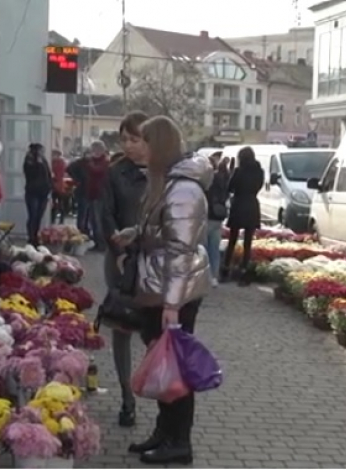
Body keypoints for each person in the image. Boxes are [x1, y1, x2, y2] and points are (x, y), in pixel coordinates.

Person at [114, 116, 212, 465]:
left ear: (160, 145)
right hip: (159, 286)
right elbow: (163, 233)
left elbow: (181, 252)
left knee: (175, 368)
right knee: (162, 363)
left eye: (143, 141)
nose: (135, 147)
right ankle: (164, 432)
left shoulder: (183, 188)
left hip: (175, 292)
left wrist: (172, 304)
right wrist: (135, 235)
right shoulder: (166, 182)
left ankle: (178, 442)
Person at [100, 111, 148, 427]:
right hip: (120, 259)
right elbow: (105, 215)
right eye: (124, 139)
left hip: (155, 261)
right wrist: (118, 249)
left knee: (155, 331)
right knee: (122, 328)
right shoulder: (115, 173)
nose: (128, 145)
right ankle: (127, 398)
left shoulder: (166, 172)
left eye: (135, 139)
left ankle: (160, 391)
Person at [221, 146, 264, 286]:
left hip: (239, 204)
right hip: (252, 204)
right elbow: (259, 186)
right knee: (248, 242)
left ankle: (226, 269)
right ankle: (244, 271)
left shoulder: (239, 171)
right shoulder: (259, 171)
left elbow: (230, 187)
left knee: (232, 239)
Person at [204, 151, 228, 287]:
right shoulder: (220, 178)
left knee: (204, 247)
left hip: (206, 216)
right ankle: (214, 276)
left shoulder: (204, 181)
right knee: (214, 248)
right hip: (218, 216)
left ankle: (206, 275)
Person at [23, 143, 52, 246]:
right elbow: (30, 174)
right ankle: (31, 237)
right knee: (33, 215)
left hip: (43, 192)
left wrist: (50, 188)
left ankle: (36, 236)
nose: (42, 152)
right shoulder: (29, 160)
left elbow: (48, 174)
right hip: (33, 192)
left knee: (39, 216)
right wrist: (37, 163)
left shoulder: (43, 160)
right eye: (40, 150)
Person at [84, 141, 110, 250]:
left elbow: (97, 171)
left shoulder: (105, 161)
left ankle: (101, 243)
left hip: (100, 194)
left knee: (98, 219)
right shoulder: (96, 161)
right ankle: (96, 242)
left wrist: (90, 162)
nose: (92, 153)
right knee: (93, 220)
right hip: (92, 193)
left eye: (93, 150)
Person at [66, 153, 89, 233]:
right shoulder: (80, 163)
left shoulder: (90, 162)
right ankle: (81, 229)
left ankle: (85, 228)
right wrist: (77, 179)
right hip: (82, 190)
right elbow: (69, 168)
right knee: (83, 210)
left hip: (88, 190)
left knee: (87, 212)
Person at [50, 149, 71, 224]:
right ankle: (61, 220)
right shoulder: (63, 162)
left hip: (56, 185)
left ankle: (53, 219)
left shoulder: (56, 162)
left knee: (55, 203)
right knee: (59, 203)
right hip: (60, 185)